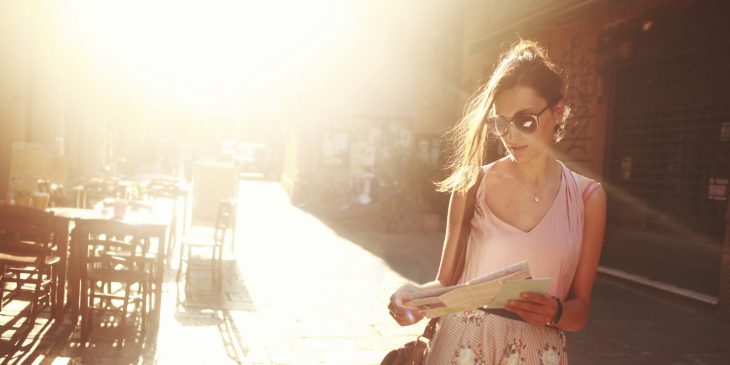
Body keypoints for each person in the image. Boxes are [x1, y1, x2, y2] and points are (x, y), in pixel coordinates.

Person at [387, 40, 606, 364]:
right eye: (500, 123)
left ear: (557, 111)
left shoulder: (589, 198)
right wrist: (413, 300)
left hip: (537, 352)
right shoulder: (472, 183)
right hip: (460, 347)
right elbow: (445, 284)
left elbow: (580, 310)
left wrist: (556, 311)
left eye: (525, 120)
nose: (511, 135)